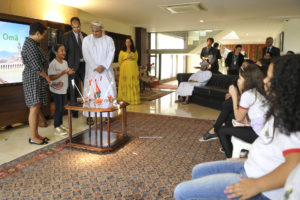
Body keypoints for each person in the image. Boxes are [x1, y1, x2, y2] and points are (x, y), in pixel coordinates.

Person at [174, 55, 300, 200]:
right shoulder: (280, 110)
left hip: (261, 185)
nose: (264, 80)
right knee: (198, 171)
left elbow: (294, 165)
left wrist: (256, 185)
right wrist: (247, 158)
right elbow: (267, 145)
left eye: (270, 77)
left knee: (181, 192)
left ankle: (215, 130)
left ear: (288, 84)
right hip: (250, 166)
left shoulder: (292, 122)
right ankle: (216, 131)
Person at [217, 64, 267, 158]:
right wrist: (239, 92)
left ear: (247, 80)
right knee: (229, 121)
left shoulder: (248, 94)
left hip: (259, 134)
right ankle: (240, 151)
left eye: (240, 78)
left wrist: (235, 96)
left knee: (221, 130)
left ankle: (230, 158)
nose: (238, 81)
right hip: (265, 130)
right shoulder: (259, 91)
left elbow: (239, 118)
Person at [200, 59, 255, 142]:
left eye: (245, 66)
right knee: (228, 103)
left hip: (249, 119)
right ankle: (220, 128)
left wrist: (235, 96)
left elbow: (239, 116)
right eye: (242, 66)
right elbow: (237, 89)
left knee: (229, 104)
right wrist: (234, 94)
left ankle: (215, 129)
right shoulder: (240, 80)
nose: (243, 68)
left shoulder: (252, 85)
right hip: (241, 105)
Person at [22, 22, 51, 145]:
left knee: (36, 107)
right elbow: (37, 67)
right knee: (34, 108)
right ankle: (33, 137)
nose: (43, 38)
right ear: (37, 33)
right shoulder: (30, 45)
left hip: (35, 79)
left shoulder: (33, 44)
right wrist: (47, 78)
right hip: (32, 79)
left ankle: (36, 134)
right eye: (42, 35)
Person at [82, 21, 116, 122]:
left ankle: (108, 115)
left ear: (101, 30)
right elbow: (86, 54)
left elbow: (111, 53)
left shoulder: (109, 40)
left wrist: (104, 66)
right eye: (93, 31)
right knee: (91, 93)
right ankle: (90, 116)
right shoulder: (86, 40)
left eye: (97, 31)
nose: (95, 33)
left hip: (105, 72)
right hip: (92, 72)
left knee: (107, 91)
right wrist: (95, 66)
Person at [62, 17, 87, 119]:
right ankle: (75, 113)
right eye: (74, 27)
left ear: (80, 25)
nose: (76, 29)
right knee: (73, 90)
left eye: (78, 26)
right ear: (72, 26)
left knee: (88, 87)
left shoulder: (85, 36)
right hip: (72, 67)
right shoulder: (66, 36)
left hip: (84, 65)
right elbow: (64, 53)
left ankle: (88, 109)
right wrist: (67, 67)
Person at [48, 44, 75, 136]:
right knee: (58, 108)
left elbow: (66, 73)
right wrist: (63, 72)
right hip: (56, 90)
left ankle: (60, 124)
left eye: (64, 50)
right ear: (56, 52)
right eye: (61, 51)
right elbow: (51, 77)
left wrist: (69, 72)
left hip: (64, 89)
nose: (64, 52)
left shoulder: (65, 62)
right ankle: (56, 126)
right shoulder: (53, 63)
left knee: (61, 108)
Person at [117, 38, 140, 105]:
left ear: (131, 43)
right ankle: (124, 100)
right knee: (125, 83)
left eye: (129, 42)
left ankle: (133, 99)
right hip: (125, 70)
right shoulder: (122, 51)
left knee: (132, 82)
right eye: (126, 42)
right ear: (125, 43)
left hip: (133, 69)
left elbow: (136, 59)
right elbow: (120, 61)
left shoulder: (134, 51)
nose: (128, 43)